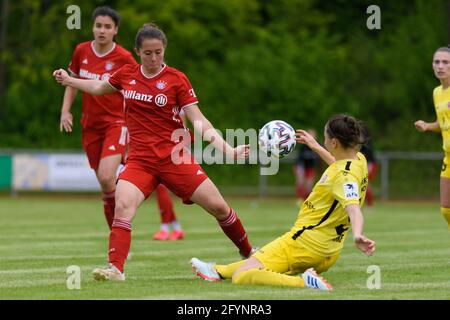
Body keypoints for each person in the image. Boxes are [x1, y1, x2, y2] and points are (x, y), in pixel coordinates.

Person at [53, 23, 254, 281]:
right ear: (137, 51)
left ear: (164, 50)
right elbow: (99, 87)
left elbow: (199, 121)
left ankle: (249, 254)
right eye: (147, 53)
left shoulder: (176, 79)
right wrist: (69, 80)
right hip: (140, 161)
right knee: (123, 205)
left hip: (175, 158)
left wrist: (228, 149)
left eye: (158, 52)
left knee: (219, 207)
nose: (153, 58)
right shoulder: (126, 74)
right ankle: (116, 269)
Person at [190, 115, 376, 291]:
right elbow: (337, 165)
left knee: (242, 275)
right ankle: (216, 271)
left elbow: (353, 208)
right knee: (262, 262)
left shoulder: (343, 177)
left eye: (325, 137)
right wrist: (315, 146)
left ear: (334, 143)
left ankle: (304, 283)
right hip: (329, 251)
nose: (324, 141)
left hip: (304, 243)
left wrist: (358, 234)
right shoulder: (359, 160)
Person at [59, 7, 184, 239]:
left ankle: (169, 224)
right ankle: (119, 236)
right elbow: (73, 81)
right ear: (92, 27)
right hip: (91, 126)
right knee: (108, 185)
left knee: (112, 176)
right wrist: (65, 111)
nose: (102, 30)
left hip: (118, 124)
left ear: (116, 30)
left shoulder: (125, 58)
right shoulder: (81, 51)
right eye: (98, 26)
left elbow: (139, 86)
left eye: (108, 26)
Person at [415, 46, 450, 229]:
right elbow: (442, 122)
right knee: (446, 210)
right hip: (448, 157)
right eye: (437, 62)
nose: (441, 66)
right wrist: (428, 126)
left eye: (445, 62)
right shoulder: (437, 92)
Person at [293, 129, 319, 201]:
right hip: (301, 166)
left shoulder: (316, 146)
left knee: (309, 185)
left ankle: (306, 199)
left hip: (310, 167)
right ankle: (299, 198)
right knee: (300, 182)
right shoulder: (303, 145)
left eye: (313, 135)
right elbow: (300, 157)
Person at [360, 125, 378, 207]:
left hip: (370, 164)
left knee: (366, 184)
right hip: (366, 164)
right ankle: (367, 203)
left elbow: (368, 157)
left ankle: (370, 203)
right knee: (364, 184)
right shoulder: (362, 143)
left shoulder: (366, 144)